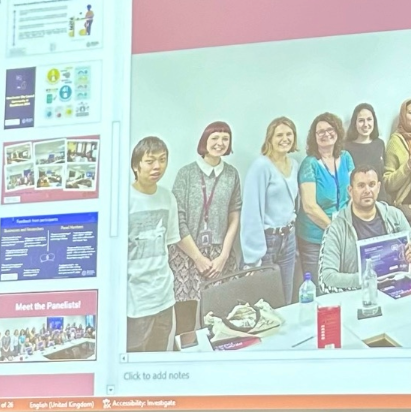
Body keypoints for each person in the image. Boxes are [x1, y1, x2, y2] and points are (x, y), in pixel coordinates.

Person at [170, 122, 243, 335]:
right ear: (205, 141)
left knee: (220, 322)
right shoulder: (186, 174)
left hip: (220, 258)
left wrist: (224, 255)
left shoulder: (232, 174)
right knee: (185, 324)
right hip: (187, 257)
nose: (220, 143)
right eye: (215, 138)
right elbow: (177, 218)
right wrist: (198, 258)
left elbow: (234, 214)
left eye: (225, 138)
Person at [127, 136, 194, 352]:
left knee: (157, 356)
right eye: (150, 161)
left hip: (163, 296)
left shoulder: (168, 198)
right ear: (136, 166)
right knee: (133, 358)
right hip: (134, 299)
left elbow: (170, 242)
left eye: (163, 159)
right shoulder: (123, 199)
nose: (157, 166)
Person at [318, 166, 411, 293]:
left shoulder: (395, 216)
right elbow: (327, 278)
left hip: (396, 291)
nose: (367, 190)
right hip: (357, 296)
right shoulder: (336, 228)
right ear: (350, 190)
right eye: (361, 186)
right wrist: (367, 279)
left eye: (371, 185)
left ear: (378, 187)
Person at [241, 117, 301, 304]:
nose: (285, 139)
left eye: (289, 134)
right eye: (279, 135)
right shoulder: (261, 166)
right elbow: (251, 211)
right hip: (267, 241)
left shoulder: (294, 165)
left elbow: (292, 205)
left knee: (286, 298)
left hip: (288, 238)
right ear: (270, 139)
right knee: (266, 301)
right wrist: (252, 257)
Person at [297, 113, 355, 283]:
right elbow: (309, 207)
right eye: (320, 132)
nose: (325, 134)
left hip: (343, 233)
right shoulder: (310, 164)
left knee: (340, 284)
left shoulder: (346, 157)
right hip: (315, 238)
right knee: (320, 287)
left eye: (330, 129)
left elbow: (353, 192)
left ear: (337, 132)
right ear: (314, 138)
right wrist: (334, 230)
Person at [346, 104, 386, 179]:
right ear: (355, 123)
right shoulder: (346, 148)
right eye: (361, 120)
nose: (365, 124)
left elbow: (384, 174)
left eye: (369, 119)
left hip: (379, 190)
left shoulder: (380, 144)